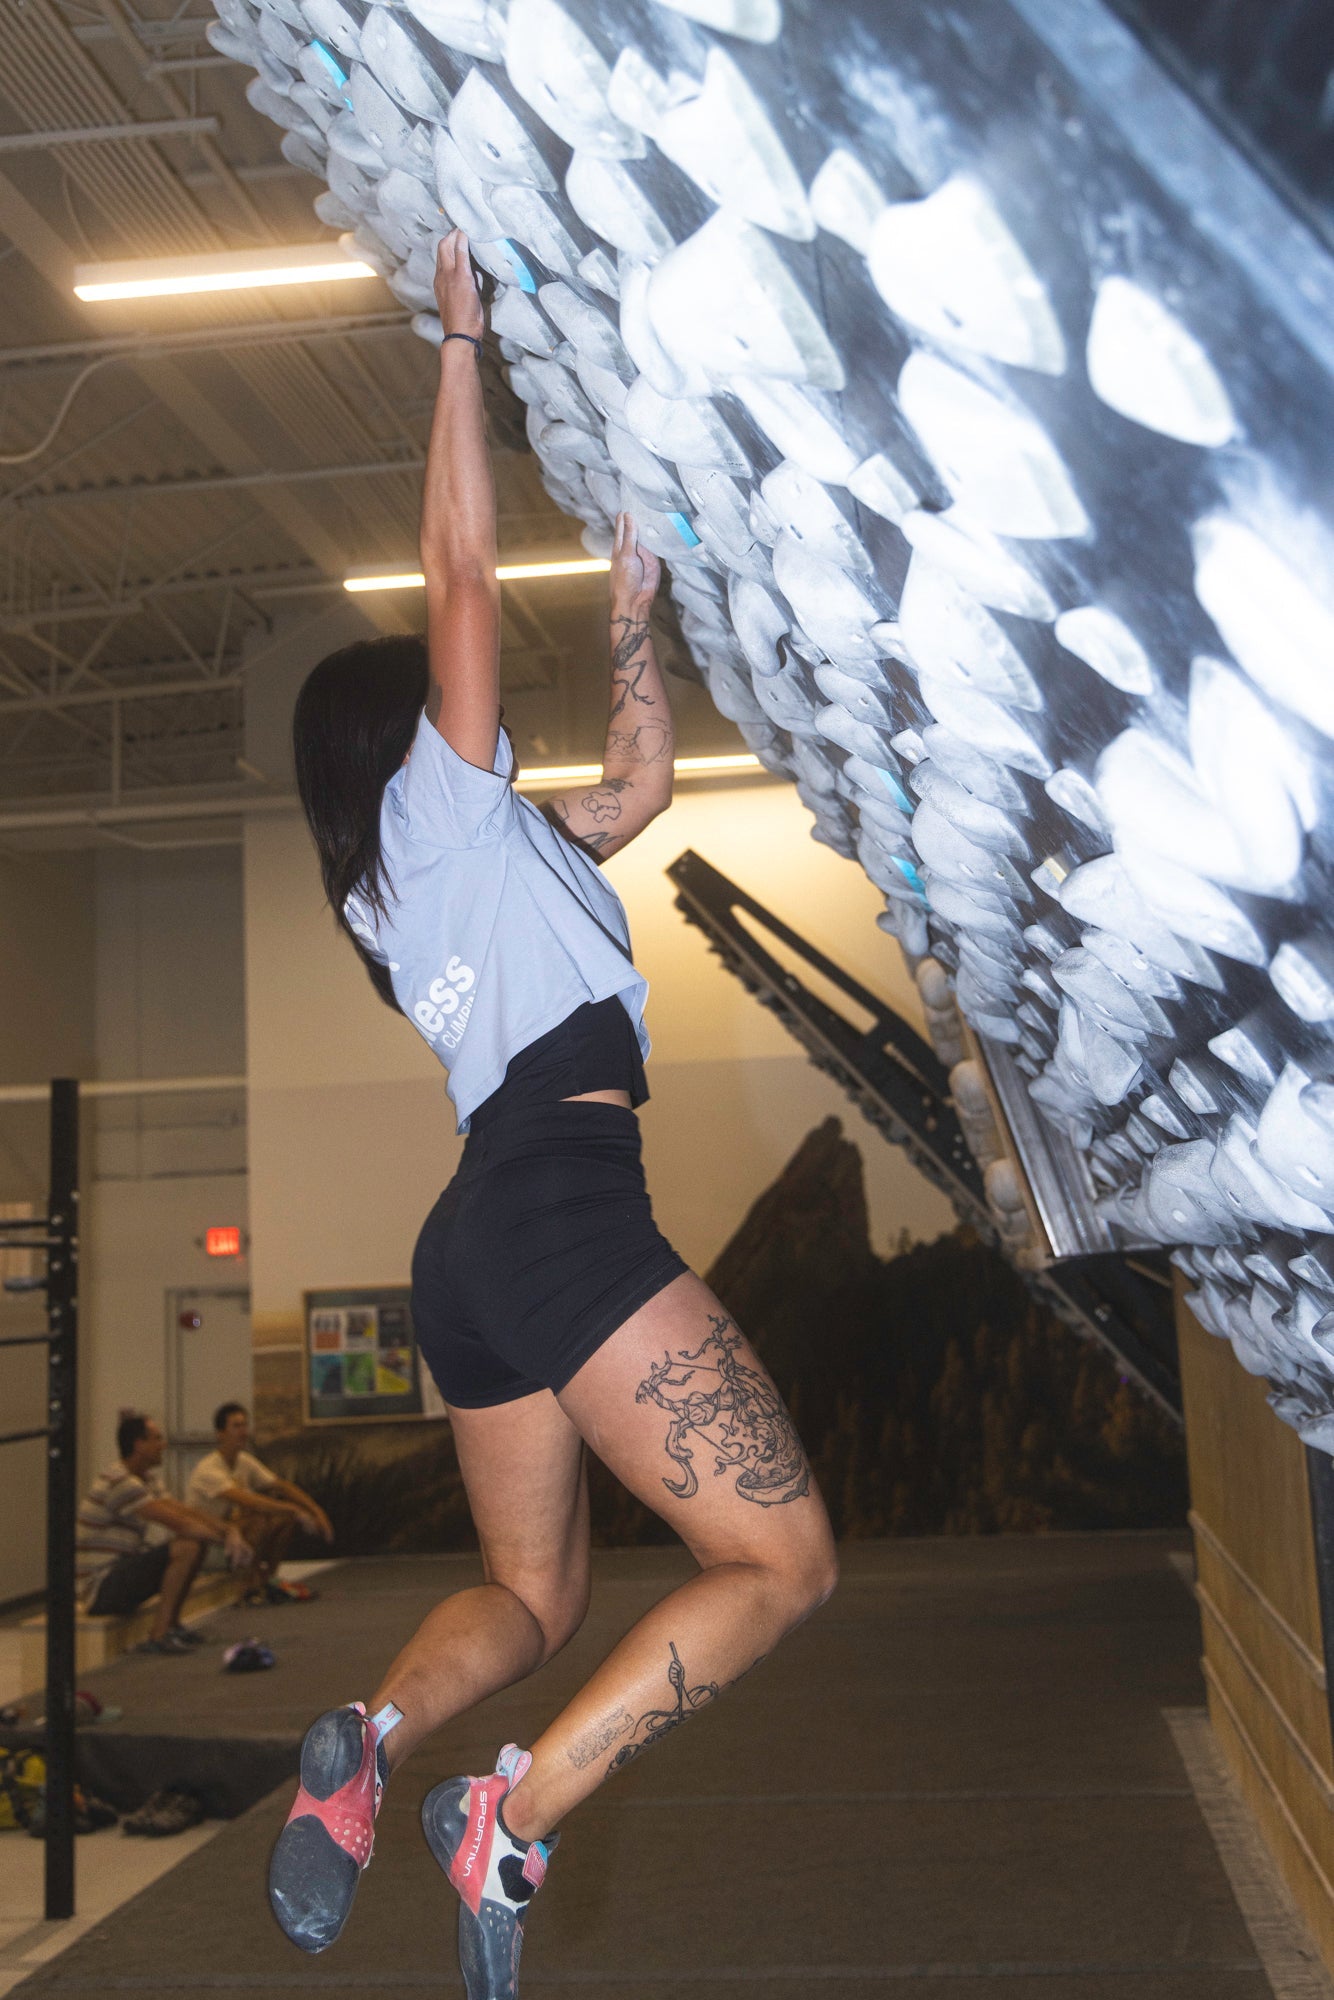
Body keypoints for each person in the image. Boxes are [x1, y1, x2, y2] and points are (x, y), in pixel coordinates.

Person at [269, 230, 838, 1998]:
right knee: (782, 1560)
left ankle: (371, 1739)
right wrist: (457, 342)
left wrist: (628, 626)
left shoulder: (436, 874)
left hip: (475, 1254)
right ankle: (509, 1818)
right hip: (555, 1205)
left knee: (538, 1603)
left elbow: (643, 787)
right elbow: (452, 569)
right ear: (405, 740)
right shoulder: (440, 809)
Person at [76, 1414, 252, 1654]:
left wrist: (230, 1530)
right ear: (139, 1445)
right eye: (157, 1439)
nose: (164, 1445)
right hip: (100, 1587)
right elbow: (181, 1524)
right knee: (188, 1545)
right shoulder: (121, 1482)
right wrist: (230, 1541)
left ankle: (172, 1626)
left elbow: (186, 1511)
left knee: (195, 1544)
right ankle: (159, 1634)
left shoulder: (147, 1480)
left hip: (120, 1572)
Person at [187, 1401, 334, 1605]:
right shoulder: (209, 1469)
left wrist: (315, 1510)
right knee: (260, 1520)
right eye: (236, 1426)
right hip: (210, 1527)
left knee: (283, 1519)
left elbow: (280, 1486)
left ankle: (267, 1578)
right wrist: (297, 1510)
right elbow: (251, 1501)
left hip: (234, 1525)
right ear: (220, 1433)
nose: (243, 1432)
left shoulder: (244, 1461)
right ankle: (246, 1584)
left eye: (245, 1425)